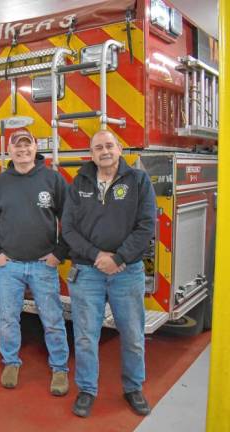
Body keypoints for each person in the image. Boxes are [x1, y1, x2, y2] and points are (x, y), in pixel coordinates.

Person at [62, 130, 156, 418]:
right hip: (87, 272)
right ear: (91, 154)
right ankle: (87, 390)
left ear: (120, 148)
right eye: (98, 147)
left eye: (109, 145)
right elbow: (67, 229)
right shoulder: (79, 183)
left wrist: (119, 258)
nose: (104, 151)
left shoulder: (139, 180)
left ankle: (133, 388)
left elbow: (146, 226)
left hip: (127, 271)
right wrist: (97, 256)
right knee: (85, 336)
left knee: (133, 335)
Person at [0, 129, 70, 395]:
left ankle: (60, 367)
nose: (22, 150)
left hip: (44, 266)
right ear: (10, 151)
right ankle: (10, 362)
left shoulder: (52, 180)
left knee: (52, 319)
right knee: (8, 318)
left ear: (35, 148)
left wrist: (58, 254)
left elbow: (71, 219)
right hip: (10, 267)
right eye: (17, 146)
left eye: (27, 145)